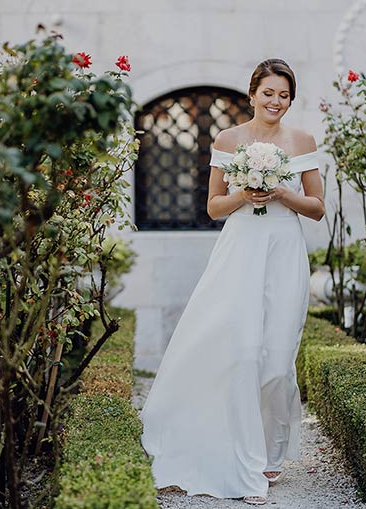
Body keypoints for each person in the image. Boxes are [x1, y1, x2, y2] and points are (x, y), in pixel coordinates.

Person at [139, 58, 325, 506]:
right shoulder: (228, 139)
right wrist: (245, 193)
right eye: (268, 93)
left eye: (284, 95)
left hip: (284, 252)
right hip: (240, 251)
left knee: (278, 363)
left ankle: (271, 449)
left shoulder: (302, 140)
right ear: (253, 93)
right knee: (242, 353)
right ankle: (245, 461)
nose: (275, 102)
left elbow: (317, 207)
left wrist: (282, 193)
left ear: (290, 99)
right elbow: (214, 207)